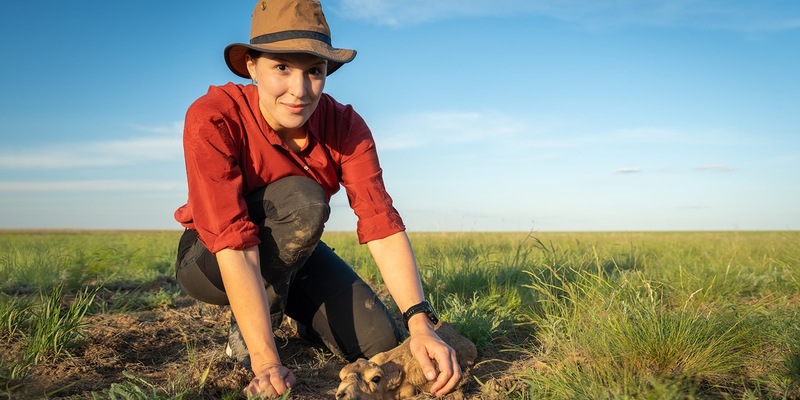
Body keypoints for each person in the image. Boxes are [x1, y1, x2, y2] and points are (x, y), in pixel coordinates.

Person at [173, 0, 462, 397]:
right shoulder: (213, 116)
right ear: (252, 66)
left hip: (296, 252)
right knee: (303, 199)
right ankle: (254, 331)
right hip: (210, 258)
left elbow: (381, 224)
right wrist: (266, 362)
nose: (300, 90)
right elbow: (231, 241)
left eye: (314, 71)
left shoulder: (345, 126)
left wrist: (420, 324)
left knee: (380, 340)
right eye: (282, 67)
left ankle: (304, 316)